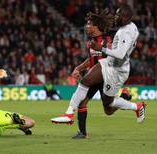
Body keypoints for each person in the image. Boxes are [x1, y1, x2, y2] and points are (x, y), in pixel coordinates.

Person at [51, 4, 146, 134]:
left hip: (114, 71)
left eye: (118, 15)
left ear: (125, 17)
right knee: (85, 89)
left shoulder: (115, 36)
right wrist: (79, 68)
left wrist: (100, 49)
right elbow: (92, 58)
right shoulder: (129, 27)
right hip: (104, 68)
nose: (115, 17)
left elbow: (119, 54)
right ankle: (70, 118)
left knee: (109, 108)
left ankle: (135, 105)